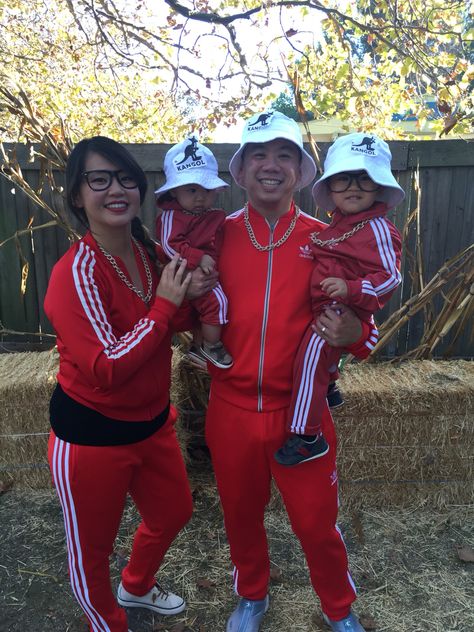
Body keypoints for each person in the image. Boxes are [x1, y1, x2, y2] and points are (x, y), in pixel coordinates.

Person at [204, 110, 375, 632]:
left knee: (316, 523)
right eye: (259, 153)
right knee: (239, 514)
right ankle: (251, 595)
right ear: (241, 167)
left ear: (300, 170)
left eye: (284, 154)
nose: (271, 165)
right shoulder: (217, 237)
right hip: (229, 410)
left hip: (300, 416)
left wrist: (357, 338)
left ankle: (337, 609)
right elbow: (190, 313)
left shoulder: (330, 239)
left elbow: (363, 319)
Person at [44, 136, 212, 632]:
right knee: (91, 552)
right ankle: (107, 622)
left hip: (153, 423)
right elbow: (105, 367)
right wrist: (164, 308)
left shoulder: (149, 251)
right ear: (78, 195)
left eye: (126, 179)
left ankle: (136, 585)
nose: (115, 189)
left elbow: (173, 321)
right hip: (91, 437)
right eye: (99, 179)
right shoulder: (76, 271)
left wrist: (192, 297)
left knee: (175, 510)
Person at [275, 132, 404, 466]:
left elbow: (391, 276)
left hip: (342, 310)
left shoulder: (376, 228)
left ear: (379, 186)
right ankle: (329, 385)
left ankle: (306, 434)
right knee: (315, 356)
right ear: (330, 188)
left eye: (365, 179)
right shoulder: (335, 228)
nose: (353, 187)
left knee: (309, 356)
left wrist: (351, 290)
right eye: (343, 179)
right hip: (330, 308)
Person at [155, 136, 232, 369]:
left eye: (207, 190)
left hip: (205, 272)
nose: (200, 197)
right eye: (191, 190)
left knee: (206, 312)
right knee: (217, 302)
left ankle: (199, 346)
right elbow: (169, 245)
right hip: (186, 272)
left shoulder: (213, 216)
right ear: (175, 192)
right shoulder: (172, 216)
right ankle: (212, 345)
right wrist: (200, 259)